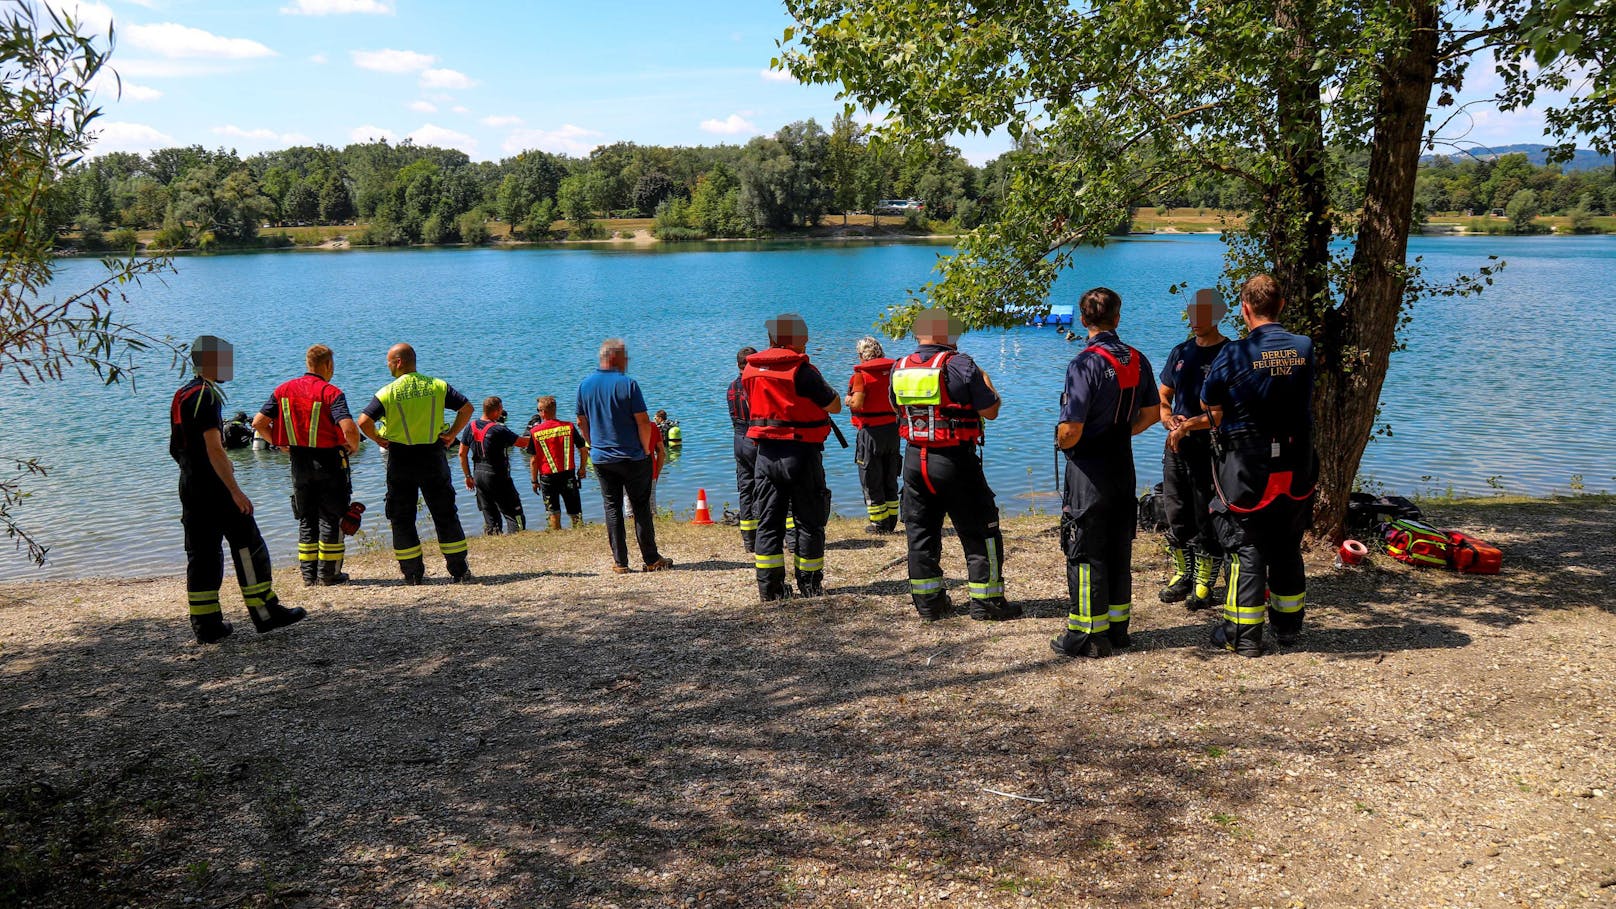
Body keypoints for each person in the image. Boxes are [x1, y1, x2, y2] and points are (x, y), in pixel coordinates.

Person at [1202, 274, 1317, 657]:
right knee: (1287, 541)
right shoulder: (1304, 347)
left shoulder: (1233, 353)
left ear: (1245, 309)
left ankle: (1243, 635)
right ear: (1281, 305)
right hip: (1296, 461)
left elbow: (1209, 400)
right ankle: (1288, 627)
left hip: (1248, 462)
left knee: (1246, 544)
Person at [169, 335, 305, 643]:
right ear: (209, 362)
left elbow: (176, 447)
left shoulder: (182, 393)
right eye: (225, 359)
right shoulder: (207, 395)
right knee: (248, 544)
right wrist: (235, 490)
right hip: (213, 486)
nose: (230, 365)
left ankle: (206, 624)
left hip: (189, 485)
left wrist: (191, 472)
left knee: (203, 554)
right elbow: (215, 449)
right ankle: (266, 613)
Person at [1049, 288, 1161, 659]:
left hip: (1089, 468)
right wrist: (1118, 432)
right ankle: (1118, 629)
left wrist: (1063, 442)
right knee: (1117, 545)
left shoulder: (1084, 363)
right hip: (1121, 464)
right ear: (1117, 317)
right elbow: (1152, 413)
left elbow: (1071, 429)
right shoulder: (1138, 358)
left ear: (1083, 320)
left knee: (1084, 547)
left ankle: (1086, 634)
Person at [890, 308, 1016, 622]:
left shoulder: (899, 366)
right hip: (954, 461)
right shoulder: (960, 364)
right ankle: (987, 604)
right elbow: (991, 410)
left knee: (920, 533)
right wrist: (987, 382)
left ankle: (930, 604)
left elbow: (895, 407)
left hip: (915, 460)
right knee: (980, 530)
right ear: (946, 333)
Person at [355, 343, 475, 584]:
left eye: (389, 361)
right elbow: (467, 408)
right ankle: (459, 570)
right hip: (432, 455)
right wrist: (451, 434)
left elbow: (363, 421)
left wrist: (378, 439)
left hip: (401, 458)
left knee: (401, 516)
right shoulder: (437, 386)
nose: (387, 365)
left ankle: (412, 574)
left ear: (399, 362)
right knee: (444, 513)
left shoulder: (387, 392)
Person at [743, 313, 840, 600]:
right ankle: (809, 586)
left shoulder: (750, 370)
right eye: (803, 335)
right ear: (790, 339)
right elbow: (834, 405)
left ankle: (769, 589)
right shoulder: (802, 370)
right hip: (801, 453)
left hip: (765, 455)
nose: (807, 340)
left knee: (769, 522)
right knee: (809, 521)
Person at [251, 344, 361, 587]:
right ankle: (329, 574)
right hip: (328, 462)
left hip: (298, 462)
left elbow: (258, 422)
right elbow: (349, 428)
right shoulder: (331, 392)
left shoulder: (283, 390)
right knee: (331, 517)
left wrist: (278, 443)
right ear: (328, 365)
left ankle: (309, 575)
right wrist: (352, 446)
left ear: (307, 363)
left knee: (306, 518)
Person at [1158, 288, 1230, 611]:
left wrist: (1190, 425)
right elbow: (1162, 396)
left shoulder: (1230, 353)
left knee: (1206, 513)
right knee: (1175, 510)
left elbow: (1223, 411)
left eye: (1203, 315)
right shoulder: (1180, 352)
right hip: (1177, 444)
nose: (1196, 321)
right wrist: (1169, 419)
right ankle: (1183, 573)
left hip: (1211, 448)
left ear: (1218, 315)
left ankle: (1205, 582)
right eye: (1192, 315)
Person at [576, 338, 673, 573]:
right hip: (632, 456)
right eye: (625, 357)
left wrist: (592, 443)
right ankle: (651, 559)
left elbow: (581, 421)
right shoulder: (628, 384)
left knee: (612, 508)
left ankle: (620, 562)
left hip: (602, 458)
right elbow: (643, 421)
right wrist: (646, 449)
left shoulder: (584, 385)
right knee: (641, 508)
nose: (627, 361)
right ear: (613, 357)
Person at [845, 336, 901, 534]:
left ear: (862, 354)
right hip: (893, 430)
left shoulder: (861, 375)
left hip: (870, 432)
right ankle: (893, 520)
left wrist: (848, 400)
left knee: (871, 477)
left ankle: (879, 525)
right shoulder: (894, 371)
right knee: (890, 475)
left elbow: (858, 403)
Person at [458, 396, 529, 535]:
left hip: (478, 475)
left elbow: (461, 454)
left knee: (490, 515)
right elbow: (522, 443)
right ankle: (518, 537)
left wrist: (467, 476)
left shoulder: (470, 426)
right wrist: (535, 434)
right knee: (514, 513)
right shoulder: (498, 429)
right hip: (497, 475)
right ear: (497, 411)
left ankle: (493, 536)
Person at [528, 394, 588, 530]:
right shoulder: (569, 427)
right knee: (575, 511)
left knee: (553, 512)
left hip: (547, 477)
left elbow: (533, 460)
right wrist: (582, 468)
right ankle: (579, 533)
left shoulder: (535, 432)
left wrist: (534, 481)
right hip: (568, 475)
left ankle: (557, 535)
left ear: (543, 412)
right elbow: (583, 450)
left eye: (538, 410)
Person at [727, 347, 760, 551]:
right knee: (768, 486)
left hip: (738, 439)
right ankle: (787, 538)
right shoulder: (754, 385)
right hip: (754, 438)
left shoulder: (731, 386)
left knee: (745, 489)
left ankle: (749, 540)